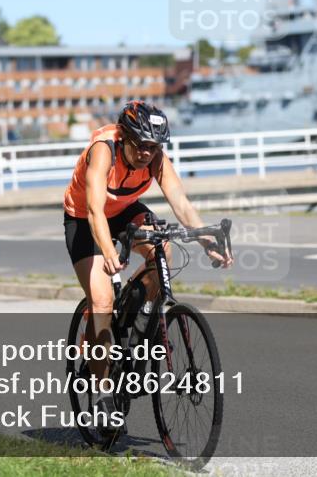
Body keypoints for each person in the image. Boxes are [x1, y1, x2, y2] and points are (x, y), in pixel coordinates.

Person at [62, 101, 232, 424]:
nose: (145, 153)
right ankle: (101, 394)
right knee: (101, 299)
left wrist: (206, 241)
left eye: (153, 147)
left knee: (163, 251)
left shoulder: (154, 157)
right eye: (139, 145)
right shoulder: (104, 149)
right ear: (123, 136)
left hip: (124, 209)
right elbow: (96, 210)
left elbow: (180, 201)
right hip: (85, 218)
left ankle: (134, 314)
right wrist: (108, 252)